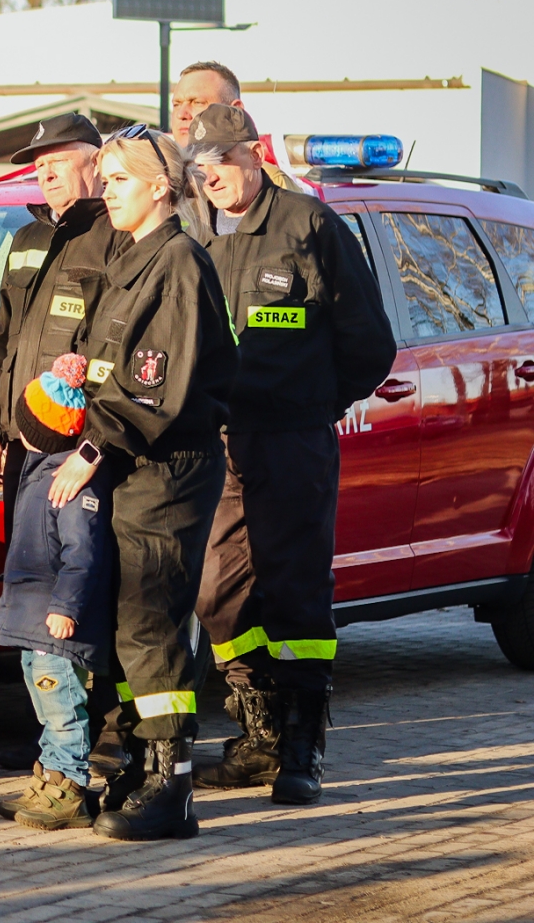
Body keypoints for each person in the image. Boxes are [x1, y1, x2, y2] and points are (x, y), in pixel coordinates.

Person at [187, 103, 395, 805]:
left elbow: (369, 343)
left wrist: (311, 401)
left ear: (252, 155)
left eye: (221, 159)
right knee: (217, 593)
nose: (210, 173)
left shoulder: (309, 225)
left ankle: (302, 744)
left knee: (297, 590)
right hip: (220, 441)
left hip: (292, 438)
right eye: (200, 163)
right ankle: (259, 730)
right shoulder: (196, 234)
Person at [44, 124, 237, 841]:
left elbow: (158, 389)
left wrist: (91, 450)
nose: (107, 190)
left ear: (160, 186)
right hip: (130, 467)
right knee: (129, 628)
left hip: (163, 470)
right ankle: (137, 762)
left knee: (153, 624)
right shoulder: (134, 256)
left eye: (118, 179)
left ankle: (171, 782)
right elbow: (114, 367)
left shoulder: (179, 261)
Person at [0, 111, 121, 561]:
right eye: (39, 166)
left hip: (76, 447)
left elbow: (117, 348)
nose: (47, 174)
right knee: (25, 576)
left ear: (94, 164)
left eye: (57, 160)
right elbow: (1, 342)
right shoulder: (26, 238)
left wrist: (94, 444)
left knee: (76, 576)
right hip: (18, 440)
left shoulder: (119, 235)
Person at [0, 356, 116, 830]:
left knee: (61, 701)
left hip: (53, 622)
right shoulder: (40, 472)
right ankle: (50, 777)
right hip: (31, 615)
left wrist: (65, 607)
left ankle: (70, 786)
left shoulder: (70, 482)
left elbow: (83, 553)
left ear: (35, 432)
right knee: (46, 701)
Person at [167, 60, 299, 192]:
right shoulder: (158, 180)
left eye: (198, 102)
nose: (181, 114)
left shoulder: (270, 183)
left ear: (235, 110)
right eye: (176, 104)